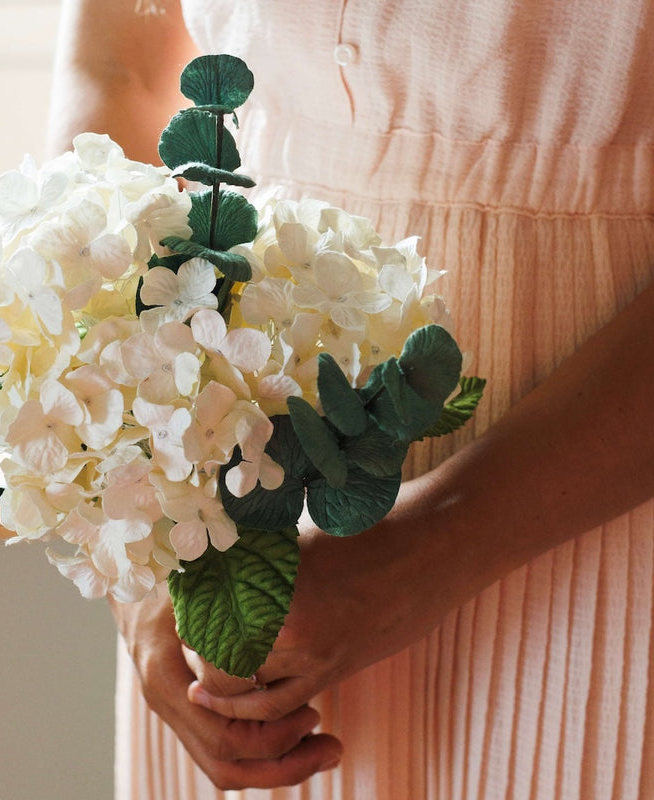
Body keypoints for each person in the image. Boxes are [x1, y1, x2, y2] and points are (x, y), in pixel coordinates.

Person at [47, 0, 654, 796]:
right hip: (221, 488)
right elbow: (118, 66)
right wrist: (137, 525)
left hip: (596, 506)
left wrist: (430, 547)